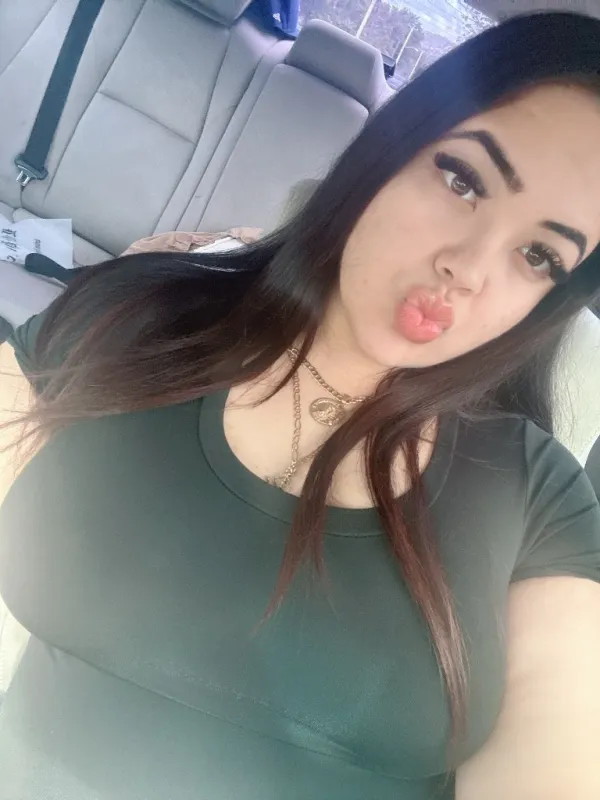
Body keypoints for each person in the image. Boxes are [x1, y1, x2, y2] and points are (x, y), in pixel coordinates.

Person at [1, 11, 600, 800]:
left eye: (538, 255)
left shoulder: (535, 495)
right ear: (390, 151)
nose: (470, 267)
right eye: (462, 180)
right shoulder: (137, 315)